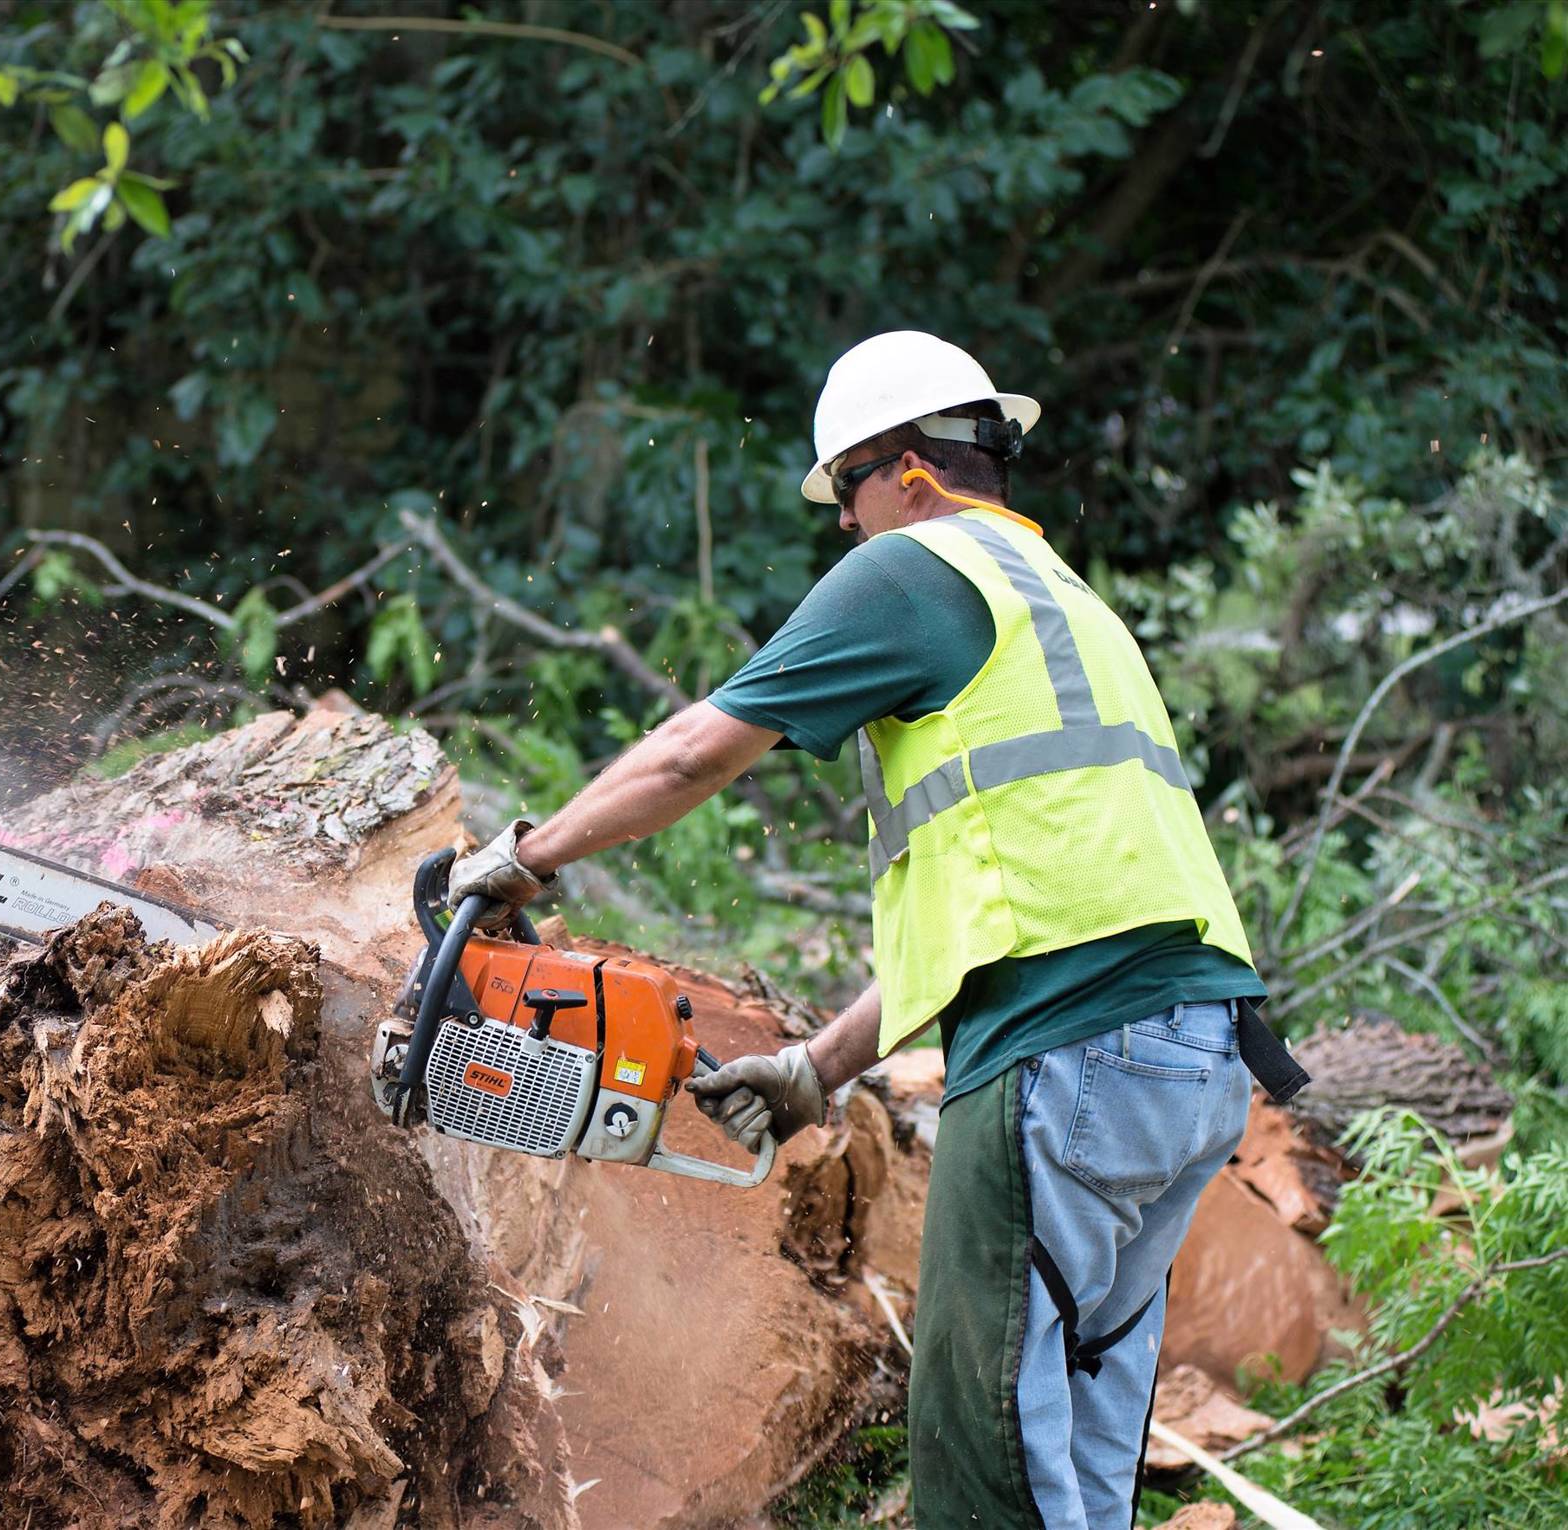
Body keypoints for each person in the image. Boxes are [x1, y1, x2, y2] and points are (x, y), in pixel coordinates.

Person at [445, 331, 1305, 1530]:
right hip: (1191, 1060)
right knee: (1076, 1434)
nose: (843, 528)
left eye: (844, 494)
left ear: (903, 469)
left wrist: (522, 855)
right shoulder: (1064, 603)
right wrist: (816, 1066)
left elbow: (698, 751)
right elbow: (1019, 905)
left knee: (984, 1458)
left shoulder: (912, 572)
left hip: (1065, 1056)